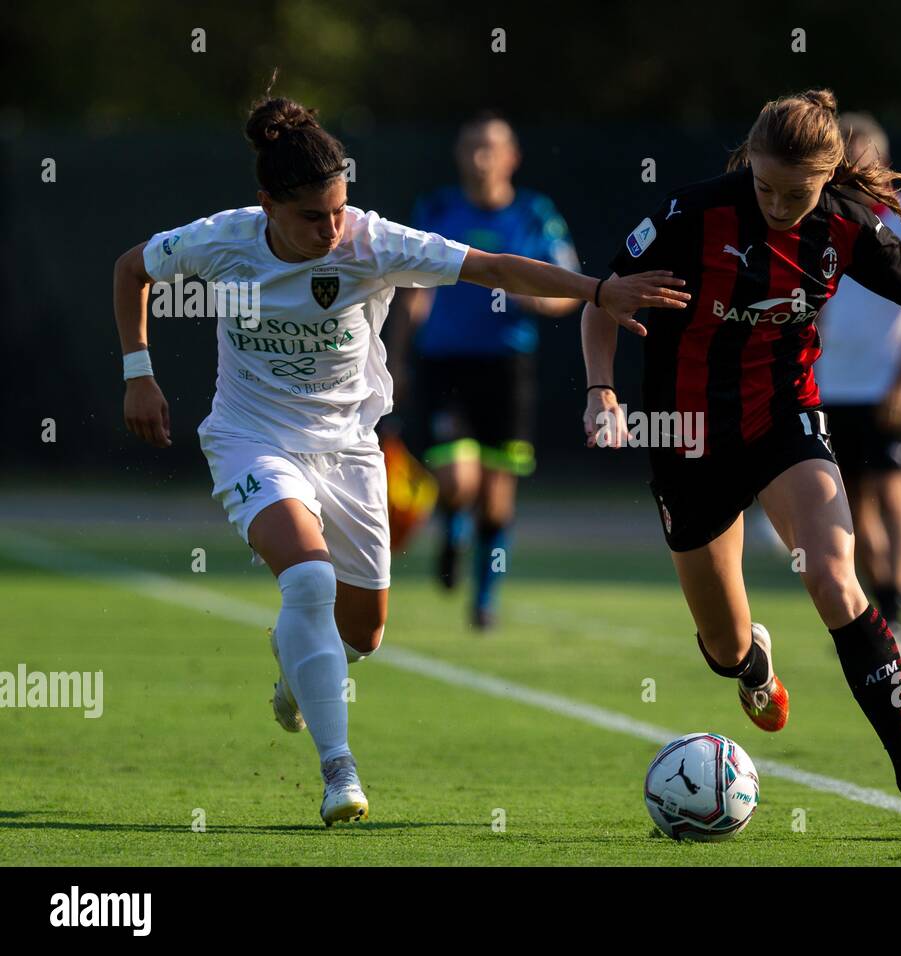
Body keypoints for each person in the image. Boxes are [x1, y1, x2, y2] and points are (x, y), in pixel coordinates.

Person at [113, 84, 689, 826]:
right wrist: (138, 373)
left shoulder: (373, 240)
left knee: (364, 634)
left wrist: (597, 291)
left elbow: (496, 268)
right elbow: (132, 268)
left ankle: (297, 676)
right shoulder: (220, 238)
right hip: (252, 438)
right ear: (266, 205)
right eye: (310, 217)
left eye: (338, 208)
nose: (330, 228)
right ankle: (338, 771)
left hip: (350, 448)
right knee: (310, 580)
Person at [581, 89, 901, 830]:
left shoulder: (848, 228)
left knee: (833, 577)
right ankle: (753, 666)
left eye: (798, 193)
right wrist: (601, 392)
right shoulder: (690, 215)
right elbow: (601, 302)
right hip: (683, 437)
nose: (780, 204)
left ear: (828, 177)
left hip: (783, 422)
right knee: (723, 647)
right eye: (765, 187)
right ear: (748, 163)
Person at [387, 113, 581, 630]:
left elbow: (570, 288)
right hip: (445, 362)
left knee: (496, 502)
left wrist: (540, 302)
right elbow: (412, 289)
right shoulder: (437, 209)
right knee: (455, 480)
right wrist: (397, 360)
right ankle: (451, 528)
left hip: (506, 367)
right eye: (471, 146)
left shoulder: (536, 215)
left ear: (511, 157)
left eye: (490, 147)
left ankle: (485, 598)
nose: (480, 158)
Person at [816, 112, 901, 659]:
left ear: (881, 161)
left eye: (857, 155)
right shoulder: (822, 216)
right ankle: (880, 608)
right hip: (834, 383)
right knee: (852, 502)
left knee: (894, 492)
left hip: (888, 383)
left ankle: (899, 606)